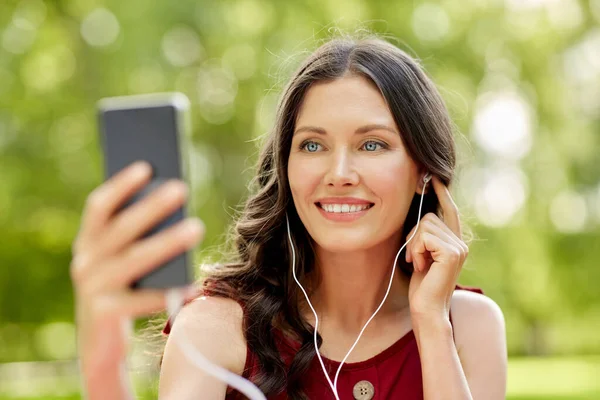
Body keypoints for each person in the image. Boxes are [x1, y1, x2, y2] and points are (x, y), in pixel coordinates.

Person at [70, 34, 507, 400]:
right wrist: (103, 359)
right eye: (312, 146)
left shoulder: (470, 325)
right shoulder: (216, 327)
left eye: (372, 144)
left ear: (424, 172)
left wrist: (431, 325)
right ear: (286, 168)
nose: (338, 175)